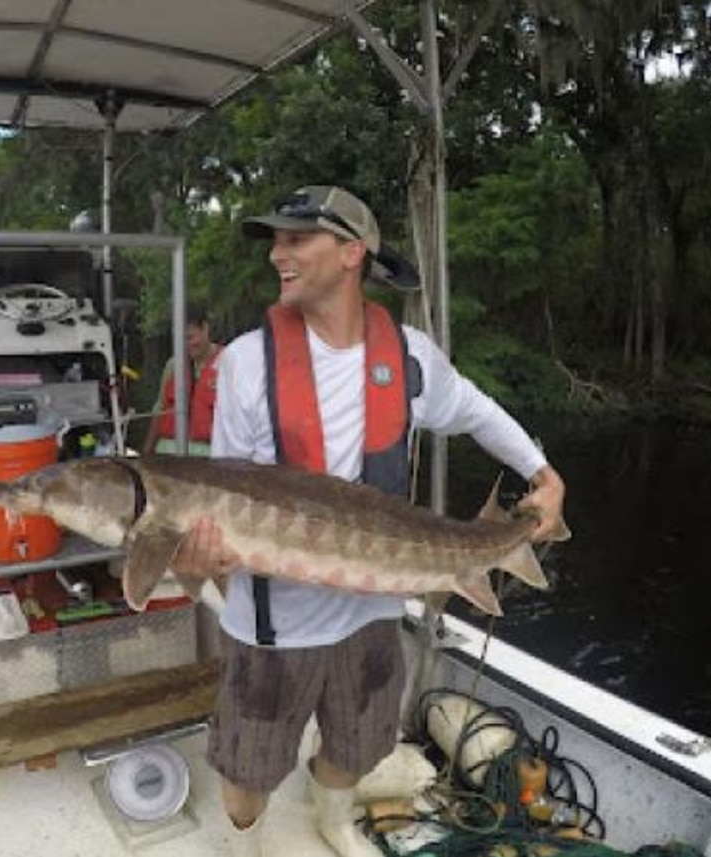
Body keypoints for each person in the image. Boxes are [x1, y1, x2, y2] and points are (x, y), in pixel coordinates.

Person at [171, 186, 567, 857]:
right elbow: (222, 491)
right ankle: (248, 841)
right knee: (244, 779)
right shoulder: (242, 362)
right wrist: (193, 562)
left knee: (357, 749)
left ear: (352, 252)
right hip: (272, 628)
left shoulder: (408, 354)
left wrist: (543, 474)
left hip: (375, 613)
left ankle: (331, 819)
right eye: (277, 239)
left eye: (298, 239)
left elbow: (476, 410)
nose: (278, 253)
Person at [141, 306, 222, 457]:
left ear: (205, 328)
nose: (186, 345)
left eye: (190, 337)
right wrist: (146, 454)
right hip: (167, 453)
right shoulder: (173, 365)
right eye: (180, 340)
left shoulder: (227, 363)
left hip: (208, 456)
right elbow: (160, 408)